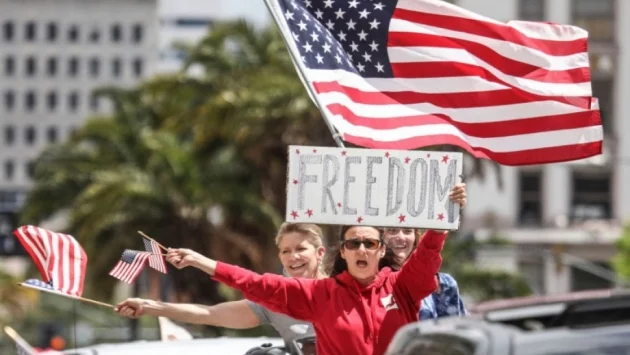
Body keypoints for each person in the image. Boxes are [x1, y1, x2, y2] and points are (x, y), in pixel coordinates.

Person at [165, 224, 451, 355]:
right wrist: (202, 262)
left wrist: (440, 224)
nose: (361, 248)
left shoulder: (402, 287)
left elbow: (425, 260)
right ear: (343, 252)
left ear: (381, 250)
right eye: (353, 243)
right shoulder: (321, 293)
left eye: (370, 243)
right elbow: (256, 283)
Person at [114, 223, 325, 354]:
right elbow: (210, 313)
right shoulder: (274, 299)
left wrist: (198, 260)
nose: (293, 257)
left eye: (301, 249)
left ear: (320, 253)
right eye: (286, 251)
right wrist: (149, 307)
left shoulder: (343, 290)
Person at [382, 183, 468, 321]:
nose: (400, 237)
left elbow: (456, 333)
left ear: (416, 237)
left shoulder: (444, 286)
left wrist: (450, 205)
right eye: (392, 230)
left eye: (407, 231)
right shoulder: (366, 283)